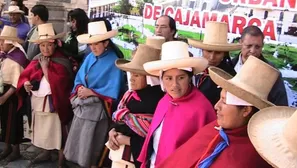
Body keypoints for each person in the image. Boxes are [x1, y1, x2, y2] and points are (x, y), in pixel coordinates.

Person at [157, 56, 277, 168]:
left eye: (224, 101)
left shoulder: (253, 156)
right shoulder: (213, 129)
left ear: (246, 110)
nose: (216, 106)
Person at [138, 41, 216, 168]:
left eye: (181, 78)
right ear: (162, 79)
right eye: (168, 78)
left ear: (189, 78)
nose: (174, 85)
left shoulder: (201, 107)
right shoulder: (164, 101)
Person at [63, 20, 125, 168]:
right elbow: (79, 77)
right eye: (91, 44)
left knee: (90, 147)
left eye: (97, 43)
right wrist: (79, 88)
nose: (93, 47)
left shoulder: (114, 62)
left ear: (106, 43)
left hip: (97, 111)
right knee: (77, 144)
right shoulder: (90, 56)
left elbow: (114, 90)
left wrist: (92, 92)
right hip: (82, 108)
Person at [16, 23, 73, 167]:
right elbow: (25, 76)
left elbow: (61, 84)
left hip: (53, 103)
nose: (45, 49)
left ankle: (61, 159)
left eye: (48, 45)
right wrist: (26, 83)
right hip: (38, 102)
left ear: (55, 45)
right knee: (43, 131)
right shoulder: (37, 59)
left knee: (58, 132)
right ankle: (46, 152)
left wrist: (46, 69)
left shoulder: (62, 61)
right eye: (42, 46)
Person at [108, 44, 164, 168]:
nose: (132, 79)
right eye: (131, 74)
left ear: (149, 78)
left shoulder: (156, 102)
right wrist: (112, 132)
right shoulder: (130, 95)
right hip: (120, 155)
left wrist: (127, 140)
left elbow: (155, 137)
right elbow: (119, 119)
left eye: (137, 75)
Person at [233, 25, 288, 106]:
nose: (252, 51)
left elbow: (281, 105)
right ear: (241, 43)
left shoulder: (272, 73)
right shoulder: (229, 65)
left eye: (257, 47)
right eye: (249, 46)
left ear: (262, 46)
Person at [189, 21, 240, 106]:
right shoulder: (195, 68)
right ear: (202, 50)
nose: (212, 57)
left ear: (224, 53)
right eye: (208, 51)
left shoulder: (229, 77)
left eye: (218, 53)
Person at [0, 25, 29, 161]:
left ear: (10, 42)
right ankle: (7, 147)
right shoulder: (5, 55)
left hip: (13, 96)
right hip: (3, 92)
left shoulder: (18, 58)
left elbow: (17, 82)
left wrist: (5, 97)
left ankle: (15, 150)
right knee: (4, 121)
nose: (0, 44)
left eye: (2, 42)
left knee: (13, 122)